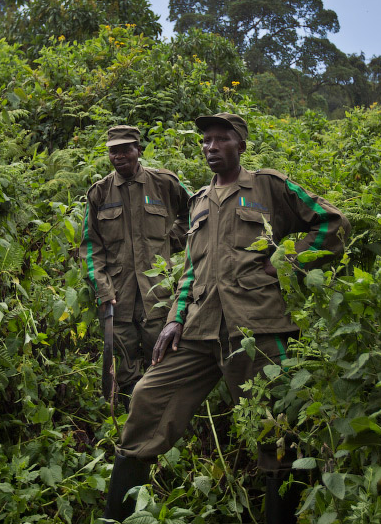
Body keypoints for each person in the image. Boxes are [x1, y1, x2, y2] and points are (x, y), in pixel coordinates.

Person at [103, 112, 350, 524]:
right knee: (147, 398)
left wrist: (287, 261)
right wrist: (175, 319)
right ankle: (117, 516)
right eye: (205, 141)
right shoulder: (199, 201)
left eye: (221, 139)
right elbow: (191, 272)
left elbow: (332, 222)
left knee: (277, 434)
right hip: (199, 332)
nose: (211, 147)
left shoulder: (267, 186)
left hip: (257, 329)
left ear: (241, 145)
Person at [82, 125, 190, 400]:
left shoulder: (164, 183)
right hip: (119, 295)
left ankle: (162, 415)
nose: (119, 156)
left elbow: (194, 214)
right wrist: (103, 288)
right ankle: (129, 411)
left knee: (163, 359)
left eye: (125, 149)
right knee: (126, 365)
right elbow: (90, 246)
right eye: (113, 151)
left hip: (158, 292)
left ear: (138, 150)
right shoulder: (99, 193)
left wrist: (170, 242)